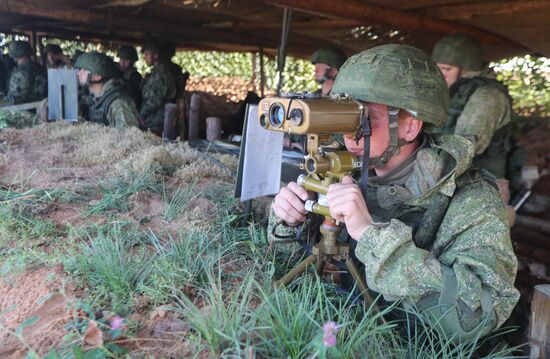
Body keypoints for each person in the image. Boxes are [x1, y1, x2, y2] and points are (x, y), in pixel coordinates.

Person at [269, 44, 519, 342]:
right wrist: (288, 222)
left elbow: (474, 319)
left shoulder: (468, 198)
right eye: (345, 114)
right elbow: (292, 266)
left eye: (364, 119)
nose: (349, 134)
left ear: (411, 126)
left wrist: (370, 233)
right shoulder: (337, 170)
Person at [75, 52, 139, 128]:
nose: (79, 73)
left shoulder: (118, 103)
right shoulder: (94, 96)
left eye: (84, 70)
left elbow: (131, 135)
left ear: (97, 76)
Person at [139, 41, 176, 134]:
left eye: (147, 53)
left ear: (155, 56)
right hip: (153, 118)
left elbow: (155, 100)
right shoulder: (156, 72)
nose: (144, 56)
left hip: (156, 121)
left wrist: (140, 115)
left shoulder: (160, 74)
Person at [1, 41, 47, 106]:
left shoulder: (21, 73)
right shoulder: (41, 69)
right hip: (42, 109)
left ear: (15, 55)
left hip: (26, 112)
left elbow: (15, 100)